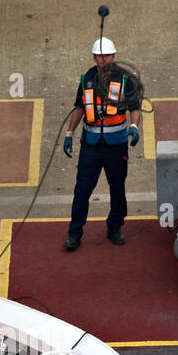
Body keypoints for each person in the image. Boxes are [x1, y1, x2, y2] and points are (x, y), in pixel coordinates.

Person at [62, 37, 141, 250]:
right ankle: (74, 233)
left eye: (106, 56)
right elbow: (79, 107)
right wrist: (69, 133)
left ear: (113, 56)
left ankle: (115, 227)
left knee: (117, 188)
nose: (102, 60)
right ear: (94, 57)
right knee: (82, 190)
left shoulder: (126, 79)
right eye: (99, 56)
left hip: (116, 145)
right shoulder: (86, 79)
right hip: (91, 146)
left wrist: (134, 127)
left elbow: (135, 106)